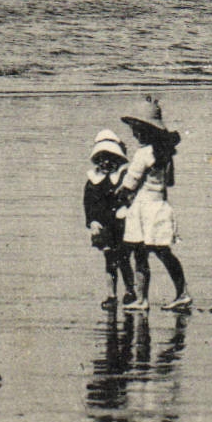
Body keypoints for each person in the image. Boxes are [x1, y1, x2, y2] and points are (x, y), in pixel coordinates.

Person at [117, 98, 189, 312]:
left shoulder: (142, 154)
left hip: (142, 210)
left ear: (144, 131)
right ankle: (182, 293)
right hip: (160, 207)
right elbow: (170, 182)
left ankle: (142, 299)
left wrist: (117, 195)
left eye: (136, 129)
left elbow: (129, 184)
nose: (133, 133)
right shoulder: (165, 154)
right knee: (163, 252)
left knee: (139, 255)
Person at [86, 130, 136, 310]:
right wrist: (92, 221)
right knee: (109, 260)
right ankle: (111, 295)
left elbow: (130, 197)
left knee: (123, 259)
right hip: (104, 226)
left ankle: (130, 291)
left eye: (109, 158)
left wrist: (125, 208)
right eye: (101, 158)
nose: (105, 162)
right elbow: (88, 203)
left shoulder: (122, 176)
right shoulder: (94, 179)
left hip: (121, 224)